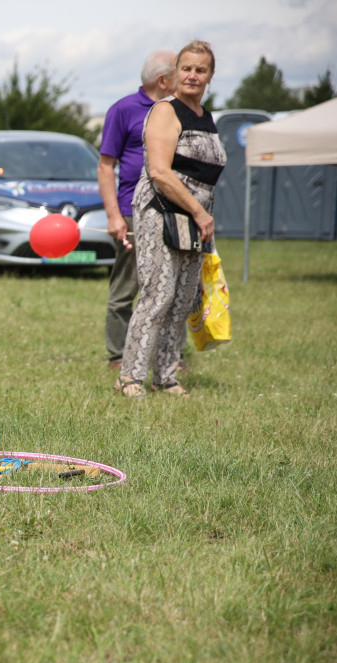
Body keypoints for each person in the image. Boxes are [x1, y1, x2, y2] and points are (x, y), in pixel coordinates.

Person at [116, 40, 226, 398]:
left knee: (181, 300)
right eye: (187, 68)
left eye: (201, 70)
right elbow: (160, 172)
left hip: (196, 222)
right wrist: (197, 210)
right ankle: (130, 377)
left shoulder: (206, 116)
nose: (193, 75)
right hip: (160, 214)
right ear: (175, 73)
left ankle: (166, 377)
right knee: (157, 295)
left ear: (210, 75)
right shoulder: (166, 111)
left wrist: (201, 215)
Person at [97, 51, 176, 369]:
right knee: (127, 285)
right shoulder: (123, 110)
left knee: (170, 284)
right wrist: (114, 216)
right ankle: (119, 355)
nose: (185, 79)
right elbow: (105, 167)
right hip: (132, 210)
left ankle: (169, 355)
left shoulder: (177, 111)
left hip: (171, 210)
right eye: (179, 73)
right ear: (163, 80)